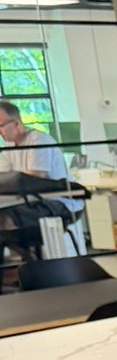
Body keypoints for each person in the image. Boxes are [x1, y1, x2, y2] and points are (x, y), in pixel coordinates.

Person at [0, 102, 80, 275]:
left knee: (6, 219)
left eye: (1, 126)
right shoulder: (8, 147)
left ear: (17, 123)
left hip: (59, 202)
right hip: (31, 202)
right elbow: (5, 179)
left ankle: (34, 265)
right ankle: (29, 263)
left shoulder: (38, 140)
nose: (0, 132)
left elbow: (35, 178)